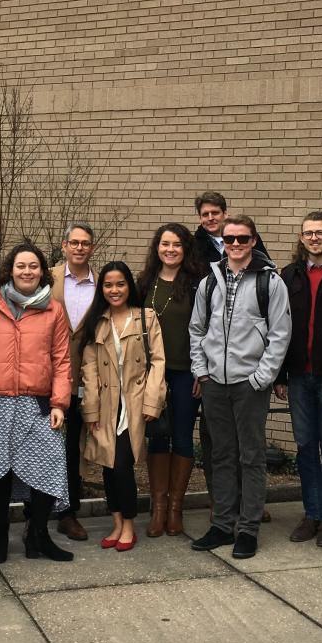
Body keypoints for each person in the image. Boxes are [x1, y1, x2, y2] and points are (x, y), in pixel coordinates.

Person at [0, 242, 73, 564]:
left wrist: (59, 403)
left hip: (37, 403)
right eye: (21, 266)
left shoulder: (54, 310)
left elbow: (62, 360)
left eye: (33, 266)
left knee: (48, 467)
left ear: (42, 272)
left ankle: (37, 534)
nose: (27, 271)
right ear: (11, 269)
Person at [188, 214, 291, 560]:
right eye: (229, 239)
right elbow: (197, 330)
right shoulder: (210, 282)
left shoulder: (270, 282)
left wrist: (262, 377)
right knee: (220, 455)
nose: (235, 245)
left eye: (242, 239)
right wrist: (202, 371)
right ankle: (221, 524)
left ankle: (247, 529)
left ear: (253, 241)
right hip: (215, 382)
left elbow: (280, 335)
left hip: (250, 384)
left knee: (251, 457)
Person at [274, 212, 322, 547]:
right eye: (308, 233)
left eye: (320, 233)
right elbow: (277, 327)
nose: (314, 238)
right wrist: (279, 374)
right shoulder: (288, 275)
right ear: (301, 238)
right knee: (305, 447)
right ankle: (311, 514)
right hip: (298, 376)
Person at [80, 262, 166, 550]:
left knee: (121, 466)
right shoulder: (96, 321)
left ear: (129, 286)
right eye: (108, 285)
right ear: (101, 289)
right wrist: (90, 409)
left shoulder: (146, 318)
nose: (114, 290)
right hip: (105, 404)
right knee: (107, 465)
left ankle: (129, 524)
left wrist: (153, 400)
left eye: (120, 284)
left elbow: (158, 361)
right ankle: (116, 522)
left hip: (135, 401)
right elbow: (89, 368)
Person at [136, 223, 206, 536]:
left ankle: (176, 508)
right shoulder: (145, 282)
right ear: (157, 247)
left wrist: (202, 371)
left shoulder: (196, 283)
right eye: (165, 244)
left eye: (177, 245)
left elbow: (208, 329)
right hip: (151, 374)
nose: (170, 250)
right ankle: (158, 507)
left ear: (185, 248)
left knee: (181, 436)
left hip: (186, 372)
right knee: (157, 436)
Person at [49, 221, 97, 541]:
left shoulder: (102, 283)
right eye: (74, 243)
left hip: (86, 376)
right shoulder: (47, 276)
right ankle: (37, 511)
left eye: (85, 243)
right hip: (49, 375)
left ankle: (69, 512)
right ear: (64, 245)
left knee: (74, 446)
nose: (79, 248)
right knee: (46, 443)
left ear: (92, 248)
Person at [192, 191, 269, 272]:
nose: (210, 218)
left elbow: (266, 267)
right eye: (205, 214)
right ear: (200, 218)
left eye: (215, 213)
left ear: (225, 214)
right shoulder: (193, 245)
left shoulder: (247, 237)